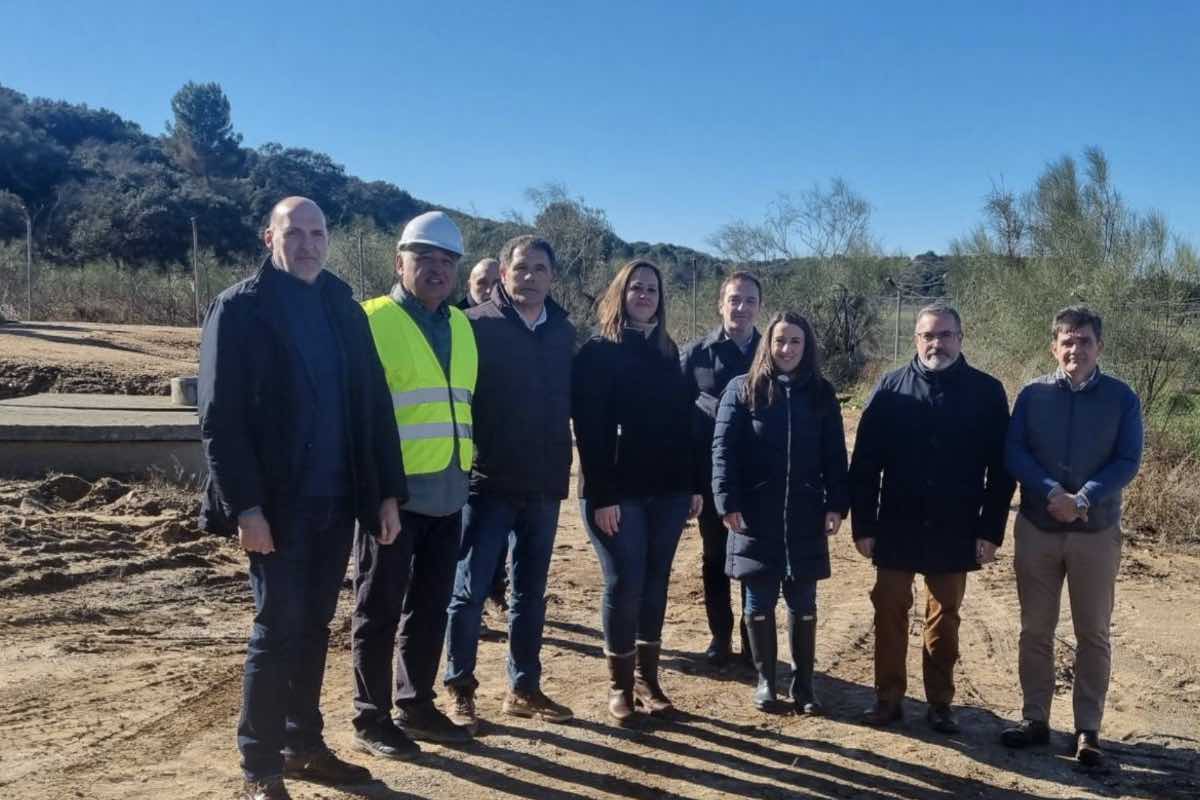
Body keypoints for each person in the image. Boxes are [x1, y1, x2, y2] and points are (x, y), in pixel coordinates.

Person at [198, 197, 405, 800]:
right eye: (296, 232)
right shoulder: (240, 309)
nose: (309, 243)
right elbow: (220, 418)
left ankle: (303, 744)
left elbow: (373, 408)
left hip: (338, 500)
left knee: (315, 627)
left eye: (319, 233)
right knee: (276, 628)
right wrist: (247, 508)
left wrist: (387, 494)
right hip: (277, 507)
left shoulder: (343, 307)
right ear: (270, 238)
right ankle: (259, 765)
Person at [849, 304, 1014, 733]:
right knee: (888, 609)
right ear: (915, 340)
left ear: (961, 338)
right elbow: (865, 464)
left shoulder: (987, 392)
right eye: (927, 336)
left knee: (945, 616)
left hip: (954, 524)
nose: (935, 343)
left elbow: (1002, 471)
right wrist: (864, 525)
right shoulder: (889, 388)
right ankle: (887, 699)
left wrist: (990, 529)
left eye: (945, 335)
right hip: (896, 523)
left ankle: (940, 704)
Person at [351, 211, 478, 756]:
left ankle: (416, 702)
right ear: (399, 260)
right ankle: (370, 715)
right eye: (424, 258)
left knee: (430, 607)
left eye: (447, 261)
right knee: (378, 609)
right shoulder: (371, 320)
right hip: (393, 500)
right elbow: (359, 418)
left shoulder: (462, 326)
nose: (436, 269)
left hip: (449, 495)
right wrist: (378, 494)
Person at [443, 235, 576, 731]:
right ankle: (460, 689)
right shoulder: (473, 326)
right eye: (521, 268)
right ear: (503, 274)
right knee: (470, 592)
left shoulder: (563, 331)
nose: (529, 276)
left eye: (539, 268)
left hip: (543, 484)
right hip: (487, 482)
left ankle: (523, 687)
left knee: (529, 594)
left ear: (552, 277)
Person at [1000, 306, 1142, 767]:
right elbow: (1015, 451)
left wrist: (1083, 499)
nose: (1074, 348)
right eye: (1066, 340)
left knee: (1093, 634)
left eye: (1083, 340)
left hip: (1095, 532)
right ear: (1053, 346)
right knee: (1034, 630)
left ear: (1099, 346)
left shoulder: (1122, 398)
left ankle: (1088, 729)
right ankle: (1035, 719)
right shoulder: (1032, 394)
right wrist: (1049, 492)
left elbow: (1127, 460)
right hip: (1038, 529)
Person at [572, 259, 703, 725]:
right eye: (636, 288)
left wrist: (690, 484)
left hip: (666, 492)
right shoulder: (596, 353)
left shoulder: (671, 354)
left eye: (652, 289)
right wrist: (603, 495)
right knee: (624, 584)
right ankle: (620, 687)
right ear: (620, 294)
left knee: (655, 583)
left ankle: (650, 681)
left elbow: (682, 427)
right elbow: (590, 431)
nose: (645, 295)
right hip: (616, 494)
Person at [711, 312, 849, 714]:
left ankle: (804, 685)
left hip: (806, 514)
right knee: (758, 601)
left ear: (807, 348)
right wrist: (727, 501)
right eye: (780, 341)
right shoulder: (742, 390)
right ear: (767, 345)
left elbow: (835, 456)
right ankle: (766, 681)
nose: (786, 349)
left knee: (804, 603)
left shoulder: (822, 394)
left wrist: (837, 503)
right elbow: (723, 451)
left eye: (795, 342)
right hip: (755, 514)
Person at [680, 271, 763, 668]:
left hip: (759, 480)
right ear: (721, 303)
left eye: (749, 300)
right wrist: (690, 483)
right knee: (715, 558)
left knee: (754, 560)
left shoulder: (773, 350)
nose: (741, 308)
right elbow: (677, 415)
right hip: (710, 477)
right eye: (734, 299)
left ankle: (754, 642)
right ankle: (720, 637)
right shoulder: (696, 353)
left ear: (759, 307)